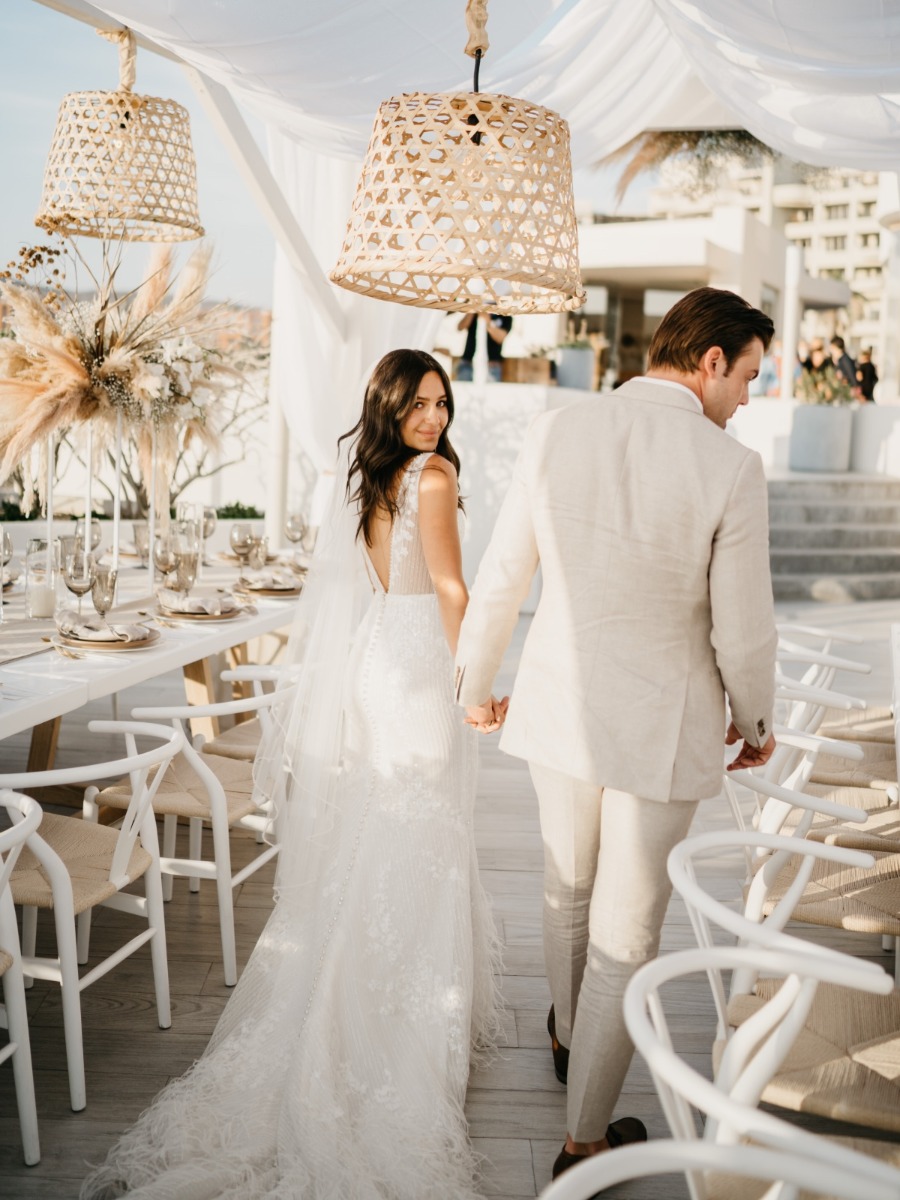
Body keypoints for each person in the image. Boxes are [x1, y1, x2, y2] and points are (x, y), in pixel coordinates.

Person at [81, 349, 506, 1200]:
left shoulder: (376, 477)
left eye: (441, 403)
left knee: (388, 825)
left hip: (380, 653)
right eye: (419, 404)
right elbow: (455, 590)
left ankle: (360, 990)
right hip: (423, 665)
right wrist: (479, 683)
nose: (434, 417)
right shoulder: (430, 478)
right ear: (392, 407)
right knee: (420, 828)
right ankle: (396, 1015)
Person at [454, 287, 778, 1181]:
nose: (749, 397)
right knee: (626, 935)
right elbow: (741, 629)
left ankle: (570, 1040)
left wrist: (476, 682)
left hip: (559, 703)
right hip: (661, 725)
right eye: (748, 375)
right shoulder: (730, 467)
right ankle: (584, 1139)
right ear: (710, 361)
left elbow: (503, 571)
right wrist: (756, 719)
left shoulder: (561, 428)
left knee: (566, 888)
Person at [455, 311, 512, 382]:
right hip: (467, 363)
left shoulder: (505, 315)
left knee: (491, 392)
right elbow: (460, 327)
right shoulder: (474, 312)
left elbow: (500, 338)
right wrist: (472, 310)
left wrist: (488, 322)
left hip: (492, 366)